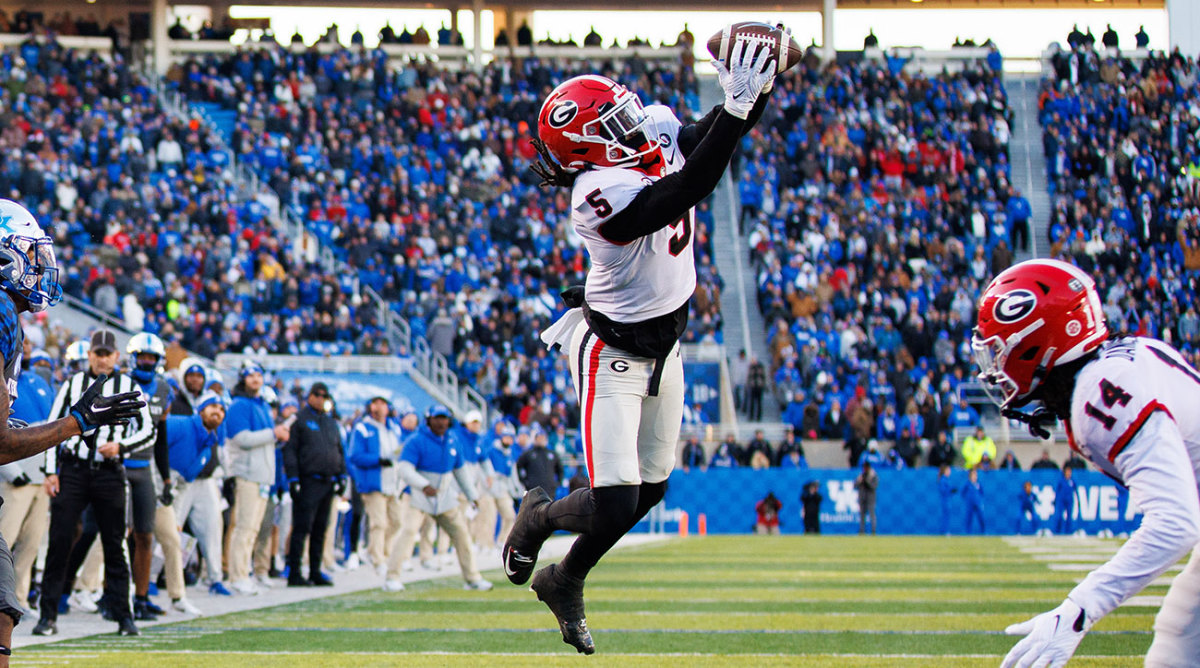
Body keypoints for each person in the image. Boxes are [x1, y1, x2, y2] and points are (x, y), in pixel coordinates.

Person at [508, 38, 777, 655]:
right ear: (589, 148)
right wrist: (737, 108)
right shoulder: (594, 193)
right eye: (614, 124)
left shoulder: (640, 140)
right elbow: (683, 190)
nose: (632, 123)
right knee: (617, 499)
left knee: (651, 491)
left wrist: (753, 88)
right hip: (612, 352)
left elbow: (711, 133)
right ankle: (540, 519)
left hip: (667, 347)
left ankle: (564, 577)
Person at [973, 258, 1200, 666]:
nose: (995, 368)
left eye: (999, 350)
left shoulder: (1098, 393)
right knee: (1176, 644)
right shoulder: (1124, 357)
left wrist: (1078, 609)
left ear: (1036, 343)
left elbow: (1177, 523)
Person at [36, 329, 152, 637]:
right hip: (73, 469)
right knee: (60, 540)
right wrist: (50, 471)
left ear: (116, 356)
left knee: (115, 544)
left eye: (107, 353)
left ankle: (124, 616)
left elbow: (149, 429)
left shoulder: (129, 385)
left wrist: (122, 447)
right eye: (97, 353)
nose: (102, 359)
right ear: (89, 355)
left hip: (110, 470)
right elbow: (52, 427)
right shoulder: (73, 384)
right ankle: (47, 615)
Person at [385, 405, 492, 592]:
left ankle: (472, 578)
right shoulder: (416, 441)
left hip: (444, 496)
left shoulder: (452, 441)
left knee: (461, 535)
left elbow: (461, 472)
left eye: (444, 418)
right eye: (437, 418)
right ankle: (391, 577)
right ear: (428, 420)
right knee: (408, 532)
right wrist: (422, 484)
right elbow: (404, 468)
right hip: (419, 496)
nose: (441, 422)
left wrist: (472, 495)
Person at [123, 333, 176, 619]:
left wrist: (166, 479)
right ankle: (115, 595)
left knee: (145, 535)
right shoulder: (120, 383)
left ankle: (141, 597)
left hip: (144, 469)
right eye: (142, 356)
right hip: (118, 466)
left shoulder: (165, 390)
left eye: (150, 357)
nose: (145, 361)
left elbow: (162, 438)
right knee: (117, 536)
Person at [225, 360, 289, 595]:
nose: (255, 380)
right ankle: (237, 575)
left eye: (259, 376)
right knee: (244, 527)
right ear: (243, 379)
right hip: (247, 474)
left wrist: (276, 436)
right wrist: (273, 433)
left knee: (253, 529)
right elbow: (241, 438)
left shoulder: (261, 405)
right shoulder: (239, 405)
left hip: (262, 476)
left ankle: (245, 572)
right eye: (250, 376)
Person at [165, 393, 226, 613]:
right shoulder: (179, 425)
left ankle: (176, 594)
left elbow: (184, 483)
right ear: (200, 409)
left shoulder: (208, 444)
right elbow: (154, 444)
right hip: (151, 478)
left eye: (221, 409)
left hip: (174, 488)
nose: (217, 412)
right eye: (213, 407)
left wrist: (177, 513)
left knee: (172, 535)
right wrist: (156, 477)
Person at [283, 382, 346, 587]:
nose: (320, 398)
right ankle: (294, 572)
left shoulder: (330, 423)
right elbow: (290, 450)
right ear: (309, 396)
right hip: (308, 480)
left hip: (328, 481)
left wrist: (341, 475)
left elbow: (338, 450)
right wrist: (293, 478)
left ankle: (315, 570)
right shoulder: (299, 420)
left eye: (324, 395)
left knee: (321, 528)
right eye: (317, 394)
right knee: (302, 528)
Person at [347, 397, 404, 578]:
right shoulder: (363, 428)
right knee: (378, 523)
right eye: (376, 403)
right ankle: (378, 559)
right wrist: (378, 460)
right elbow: (355, 456)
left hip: (392, 482)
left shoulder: (393, 428)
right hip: (373, 482)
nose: (379, 407)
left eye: (383, 403)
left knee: (397, 521)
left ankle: (380, 552)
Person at [515, 428, 563, 498]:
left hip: (549, 491)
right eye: (539, 438)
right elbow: (519, 466)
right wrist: (525, 482)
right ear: (535, 439)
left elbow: (560, 470)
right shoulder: (528, 454)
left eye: (542, 438)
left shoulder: (552, 454)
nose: (541, 440)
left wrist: (557, 483)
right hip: (533, 490)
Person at [1052, 466, 1078, 535]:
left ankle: (1068, 532)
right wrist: (1055, 499)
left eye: (1070, 472)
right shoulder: (1061, 480)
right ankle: (1057, 531)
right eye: (1067, 472)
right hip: (1061, 501)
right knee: (1059, 516)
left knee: (1069, 517)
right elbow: (1057, 491)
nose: (1069, 473)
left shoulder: (1072, 481)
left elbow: (1075, 491)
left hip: (1069, 501)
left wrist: (1078, 501)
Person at [855, 461, 878, 535]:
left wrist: (867, 481)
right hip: (862, 497)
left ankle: (873, 530)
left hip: (870, 498)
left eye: (866, 467)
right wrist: (860, 481)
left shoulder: (873, 475)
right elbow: (855, 485)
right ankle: (862, 531)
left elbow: (874, 486)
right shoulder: (861, 475)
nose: (864, 469)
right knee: (862, 515)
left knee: (872, 514)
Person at [963, 468, 985, 534]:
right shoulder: (967, 484)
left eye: (976, 475)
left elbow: (982, 492)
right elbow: (963, 493)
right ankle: (968, 532)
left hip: (978, 503)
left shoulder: (978, 484)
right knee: (969, 518)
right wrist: (967, 499)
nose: (975, 476)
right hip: (970, 504)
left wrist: (980, 500)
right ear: (970, 476)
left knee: (981, 517)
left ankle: (983, 532)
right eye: (973, 475)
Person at [937, 464, 956, 535]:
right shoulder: (943, 479)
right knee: (945, 516)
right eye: (948, 470)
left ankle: (945, 530)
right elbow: (943, 490)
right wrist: (950, 490)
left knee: (947, 516)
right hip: (945, 500)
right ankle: (945, 531)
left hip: (948, 500)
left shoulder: (946, 479)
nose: (950, 472)